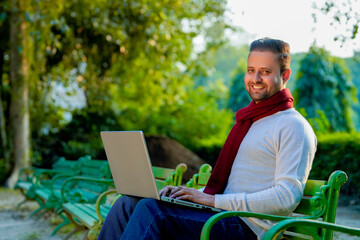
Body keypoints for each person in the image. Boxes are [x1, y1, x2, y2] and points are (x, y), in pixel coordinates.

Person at [98, 38, 317, 240]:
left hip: (248, 228)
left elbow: (287, 197)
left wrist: (212, 200)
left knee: (152, 212)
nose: (256, 79)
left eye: (265, 71)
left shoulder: (293, 126)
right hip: (220, 214)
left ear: (285, 75)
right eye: (251, 70)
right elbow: (232, 188)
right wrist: (189, 194)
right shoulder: (250, 121)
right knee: (127, 204)